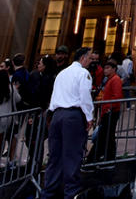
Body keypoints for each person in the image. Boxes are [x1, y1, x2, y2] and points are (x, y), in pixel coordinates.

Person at [44, 47, 93, 199]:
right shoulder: (83, 73)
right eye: (90, 57)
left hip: (57, 115)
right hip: (72, 116)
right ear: (83, 58)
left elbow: (54, 95)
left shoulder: (61, 73)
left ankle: (48, 191)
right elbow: (84, 96)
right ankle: (71, 192)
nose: (91, 61)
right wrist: (89, 116)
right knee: (72, 154)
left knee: (55, 155)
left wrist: (51, 115)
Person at [88, 61, 122, 163]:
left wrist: (108, 109)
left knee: (104, 136)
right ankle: (109, 158)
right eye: (105, 68)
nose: (105, 70)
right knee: (109, 137)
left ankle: (93, 160)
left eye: (108, 68)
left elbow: (116, 97)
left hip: (110, 112)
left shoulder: (115, 80)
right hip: (108, 111)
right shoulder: (110, 80)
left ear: (114, 69)